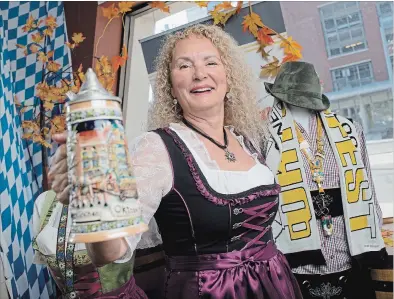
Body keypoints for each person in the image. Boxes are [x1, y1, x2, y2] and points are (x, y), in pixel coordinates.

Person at [47, 24, 302, 299]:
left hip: (274, 285)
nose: (199, 74)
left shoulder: (246, 141)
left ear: (229, 75)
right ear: (170, 84)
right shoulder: (156, 149)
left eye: (210, 62)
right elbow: (111, 252)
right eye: (184, 66)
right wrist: (91, 200)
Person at [264, 61, 387, 299]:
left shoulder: (350, 130)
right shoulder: (265, 135)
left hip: (349, 253)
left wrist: (372, 237)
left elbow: (367, 189)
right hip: (295, 263)